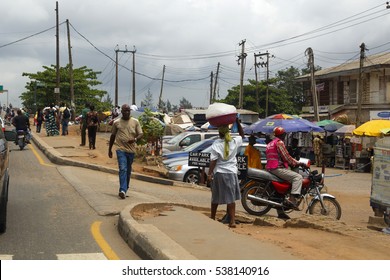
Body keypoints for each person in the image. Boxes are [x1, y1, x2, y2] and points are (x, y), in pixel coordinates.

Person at [207, 118, 244, 228]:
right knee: (231, 198)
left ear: (219, 133)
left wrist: (209, 174)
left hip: (220, 173)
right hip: (232, 173)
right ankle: (232, 221)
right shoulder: (234, 141)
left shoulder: (216, 143)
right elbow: (242, 134)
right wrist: (237, 122)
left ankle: (212, 217)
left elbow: (213, 160)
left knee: (215, 197)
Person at [108, 104, 143, 199]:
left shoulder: (135, 122)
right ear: (122, 112)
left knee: (127, 171)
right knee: (123, 169)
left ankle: (125, 188)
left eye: (128, 110)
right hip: (120, 149)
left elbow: (140, 134)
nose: (127, 112)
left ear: (130, 111)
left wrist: (135, 139)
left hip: (131, 150)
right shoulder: (117, 122)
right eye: (125, 110)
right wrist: (110, 149)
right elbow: (112, 136)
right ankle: (122, 190)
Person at [266, 126, 306, 209]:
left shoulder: (270, 143)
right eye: (284, 134)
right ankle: (292, 199)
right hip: (277, 168)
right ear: (282, 134)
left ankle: (281, 210)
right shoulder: (279, 143)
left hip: (271, 167)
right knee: (297, 177)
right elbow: (286, 157)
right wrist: (298, 163)